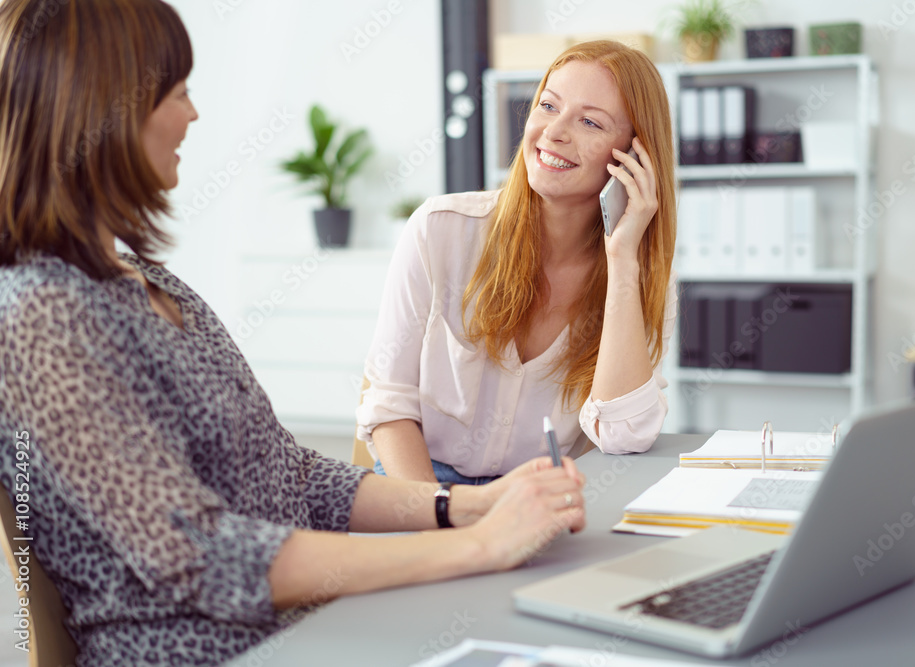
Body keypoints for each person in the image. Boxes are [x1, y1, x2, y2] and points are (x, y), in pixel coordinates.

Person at [0, 1, 586, 665]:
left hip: (303, 630)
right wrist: (478, 547)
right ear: (100, 110)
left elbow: (293, 478)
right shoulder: (37, 318)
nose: (193, 114)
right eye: (178, 93)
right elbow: (202, 555)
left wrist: (469, 507)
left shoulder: (149, 283)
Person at [357, 40, 678, 484]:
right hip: (424, 482)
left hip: (535, 493)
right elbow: (388, 405)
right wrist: (441, 516)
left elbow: (624, 436)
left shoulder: (643, 278)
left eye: (589, 121)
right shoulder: (441, 231)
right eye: (548, 106)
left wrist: (623, 262)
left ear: (635, 157)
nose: (554, 132)